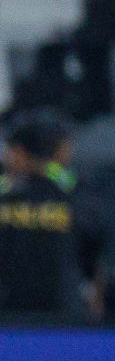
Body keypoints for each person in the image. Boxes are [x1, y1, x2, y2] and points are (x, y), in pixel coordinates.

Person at [1, 111, 91, 317]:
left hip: (24, 313)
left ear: (21, 152)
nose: (6, 157)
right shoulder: (74, 191)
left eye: (10, 150)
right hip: (56, 312)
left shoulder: (71, 191)